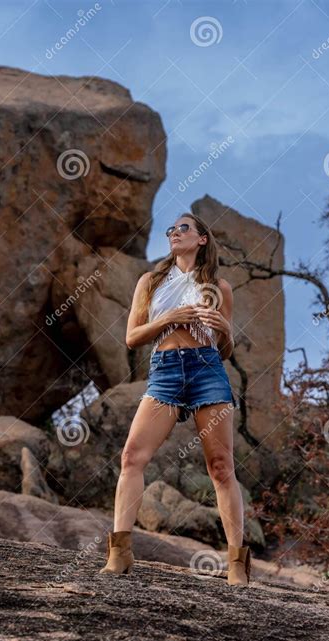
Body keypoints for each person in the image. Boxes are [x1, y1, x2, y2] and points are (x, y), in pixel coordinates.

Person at [98, 212, 251, 586]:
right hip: (165, 369)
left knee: (220, 466)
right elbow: (132, 337)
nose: (174, 233)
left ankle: (237, 563)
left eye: (183, 228)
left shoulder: (219, 287)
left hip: (206, 369)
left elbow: (226, 350)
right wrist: (170, 319)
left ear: (201, 239)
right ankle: (120, 551)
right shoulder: (151, 282)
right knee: (132, 457)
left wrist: (225, 328)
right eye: (171, 230)